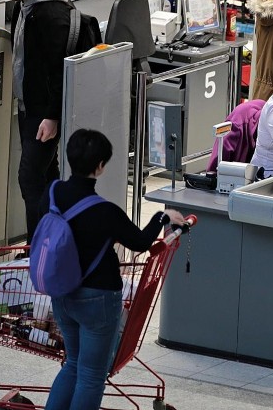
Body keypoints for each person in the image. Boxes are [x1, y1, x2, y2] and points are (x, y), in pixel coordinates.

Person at [40, 129, 184, 410]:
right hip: (98, 297)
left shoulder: (52, 193)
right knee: (92, 374)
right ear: (100, 167)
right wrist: (161, 217)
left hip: (61, 292)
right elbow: (140, 243)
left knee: (72, 364)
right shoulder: (105, 212)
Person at [3, 0, 72, 243]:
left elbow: (59, 70)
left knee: (29, 177)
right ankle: (57, 238)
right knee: (47, 176)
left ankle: (38, 248)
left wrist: (52, 116)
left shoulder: (52, 14)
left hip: (44, 112)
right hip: (28, 106)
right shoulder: (24, 3)